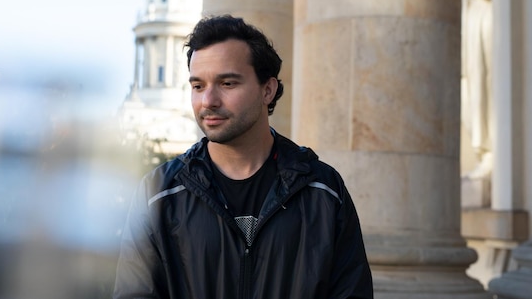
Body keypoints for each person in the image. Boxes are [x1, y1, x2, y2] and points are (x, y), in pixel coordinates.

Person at [113, 15, 373, 298]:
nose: (208, 101)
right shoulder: (160, 193)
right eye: (198, 86)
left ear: (268, 90)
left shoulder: (323, 190)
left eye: (227, 83)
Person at [461, 0, 493, 179]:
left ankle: (492, 153)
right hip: (472, 25)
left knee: (488, 89)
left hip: (489, 25)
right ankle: (483, 152)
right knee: (472, 90)